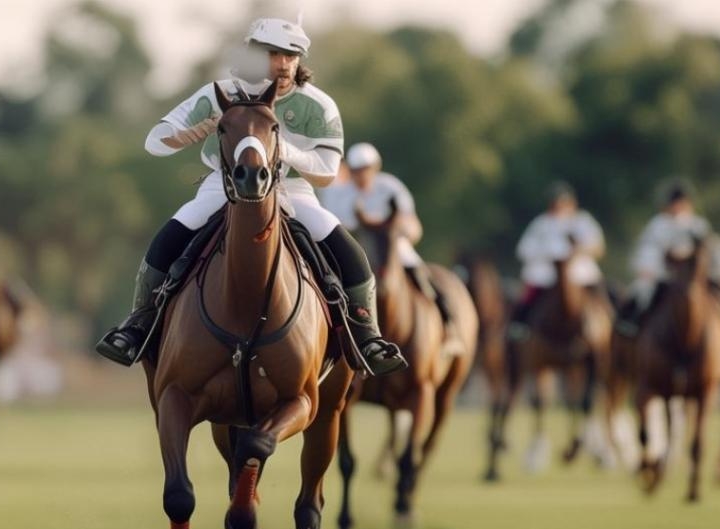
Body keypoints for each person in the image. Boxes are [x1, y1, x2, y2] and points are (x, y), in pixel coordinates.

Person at [95, 17, 406, 375]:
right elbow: (154, 142)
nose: (285, 63)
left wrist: (279, 149)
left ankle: (368, 335)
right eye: (275, 53)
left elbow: (326, 172)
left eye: (292, 55)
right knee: (171, 234)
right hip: (225, 185)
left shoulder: (319, 105)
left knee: (348, 249)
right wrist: (199, 129)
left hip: (291, 188)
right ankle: (138, 326)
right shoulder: (219, 94)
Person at [320, 142, 453, 327]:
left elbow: (412, 223)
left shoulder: (391, 187)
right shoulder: (338, 194)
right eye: (357, 170)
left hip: (391, 243)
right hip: (357, 244)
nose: (362, 175)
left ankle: (444, 315)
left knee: (415, 267)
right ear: (350, 170)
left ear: (376, 167)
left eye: (366, 169)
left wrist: (403, 230)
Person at [617, 178, 720, 335]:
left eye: (681, 202)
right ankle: (632, 323)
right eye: (675, 203)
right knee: (641, 291)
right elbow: (648, 249)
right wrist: (647, 268)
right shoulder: (658, 225)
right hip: (663, 274)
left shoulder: (697, 225)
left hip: (694, 276)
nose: (678, 207)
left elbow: (706, 251)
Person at [508, 181, 606, 339]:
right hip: (546, 273)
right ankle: (520, 325)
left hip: (579, 272)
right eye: (555, 202)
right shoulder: (541, 224)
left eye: (562, 201)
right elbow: (524, 249)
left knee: (601, 297)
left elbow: (597, 247)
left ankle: (611, 324)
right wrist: (545, 255)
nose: (559, 206)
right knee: (528, 296)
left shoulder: (582, 221)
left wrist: (578, 251)